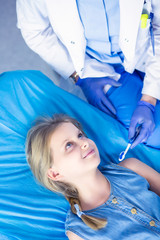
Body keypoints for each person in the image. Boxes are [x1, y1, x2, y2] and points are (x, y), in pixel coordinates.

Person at [17, 0, 160, 148]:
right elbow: (35, 31)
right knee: (154, 135)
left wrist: (148, 100)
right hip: (97, 67)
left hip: (149, 49)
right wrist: (78, 75)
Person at [26, 114, 160, 240]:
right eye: (69, 145)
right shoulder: (79, 231)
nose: (84, 142)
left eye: (80, 135)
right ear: (55, 174)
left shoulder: (131, 168)